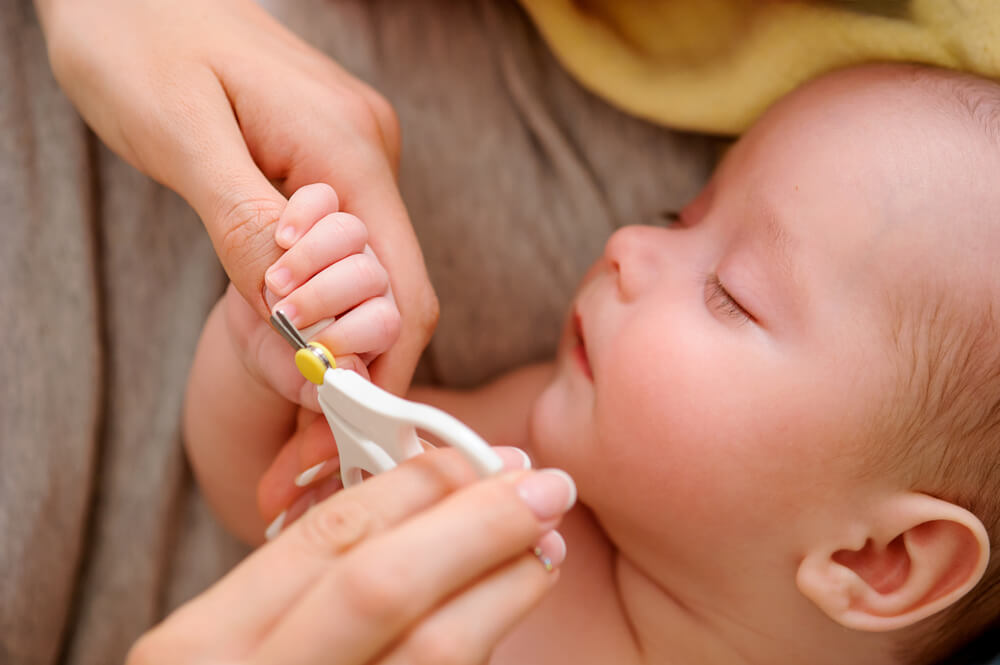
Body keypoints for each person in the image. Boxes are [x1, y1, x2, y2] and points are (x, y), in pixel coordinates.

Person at [181, 63, 1000, 664]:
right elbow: (274, 500)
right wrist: (269, 348)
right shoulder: (516, 464)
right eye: (679, 215)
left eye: (731, 294)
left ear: (878, 557)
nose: (628, 245)